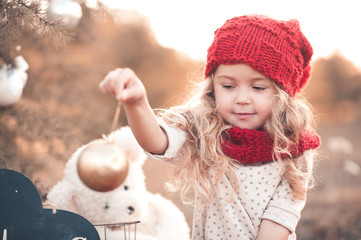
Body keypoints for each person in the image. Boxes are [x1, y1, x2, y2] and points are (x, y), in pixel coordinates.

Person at [99, 15, 321, 240]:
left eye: (258, 87)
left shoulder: (294, 145)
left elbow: (282, 214)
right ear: (213, 87)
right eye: (228, 85)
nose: (242, 98)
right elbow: (158, 142)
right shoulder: (205, 131)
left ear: (282, 93)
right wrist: (137, 103)